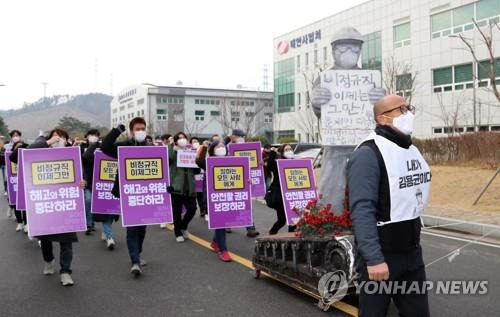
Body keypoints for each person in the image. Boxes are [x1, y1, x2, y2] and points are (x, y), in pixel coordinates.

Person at [347, 95, 431, 316]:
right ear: (383, 119)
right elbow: (362, 209)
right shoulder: (368, 153)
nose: (408, 114)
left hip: (412, 253)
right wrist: (374, 259)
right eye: (401, 110)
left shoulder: (410, 149)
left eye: (408, 107)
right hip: (381, 256)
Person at [25, 128, 84, 286]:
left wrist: (83, 183)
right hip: (47, 206)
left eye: (63, 139)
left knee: (67, 241)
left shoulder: (73, 157)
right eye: (56, 138)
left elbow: (81, 178)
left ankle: (65, 271)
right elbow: (24, 154)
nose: (60, 141)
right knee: (46, 239)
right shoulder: (39, 155)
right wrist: (48, 142)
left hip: (66, 206)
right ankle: (48, 261)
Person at [101, 118, 149, 276]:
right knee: (133, 225)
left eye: (143, 128)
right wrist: (117, 130)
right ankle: (135, 261)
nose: (140, 131)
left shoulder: (151, 148)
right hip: (128, 193)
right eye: (137, 129)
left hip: (147, 193)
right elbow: (105, 147)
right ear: (131, 131)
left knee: (142, 227)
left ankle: (138, 253)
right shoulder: (124, 146)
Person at [196, 140, 232, 262]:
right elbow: (198, 161)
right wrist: (205, 148)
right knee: (220, 222)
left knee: (224, 222)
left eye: (223, 146)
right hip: (214, 198)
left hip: (229, 197)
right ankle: (223, 250)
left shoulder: (232, 161)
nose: (222, 148)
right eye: (218, 146)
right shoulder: (208, 162)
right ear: (213, 150)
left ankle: (215, 242)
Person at [81, 129, 117, 250]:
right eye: (92, 135)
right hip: (92, 183)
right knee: (90, 201)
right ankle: (108, 235)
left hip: (110, 184)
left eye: (96, 136)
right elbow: (86, 157)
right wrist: (95, 145)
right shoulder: (88, 150)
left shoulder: (109, 149)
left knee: (111, 210)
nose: (94, 137)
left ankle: (106, 232)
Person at [226, 129, 259, 238]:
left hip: (244, 179)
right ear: (233, 137)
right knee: (231, 203)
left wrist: (260, 163)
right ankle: (226, 224)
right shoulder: (226, 148)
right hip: (231, 179)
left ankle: (251, 229)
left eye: (242, 136)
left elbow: (253, 163)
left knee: (245, 203)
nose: (241, 138)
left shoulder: (247, 148)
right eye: (239, 136)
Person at [168, 132, 199, 242]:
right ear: (175, 140)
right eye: (179, 138)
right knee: (176, 211)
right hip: (176, 186)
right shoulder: (172, 150)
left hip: (189, 186)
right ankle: (178, 233)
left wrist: (197, 157)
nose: (182, 140)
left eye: (184, 138)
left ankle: (183, 226)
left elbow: (197, 169)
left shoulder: (190, 151)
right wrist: (171, 147)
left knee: (192, 209)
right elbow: (168, 159)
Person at [267, 144, 297, 235]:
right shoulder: (278, 163)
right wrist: (272, 153)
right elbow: (270, 166)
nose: (289, 151)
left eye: (290, 149)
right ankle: (272, 232)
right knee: (282, 220)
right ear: (282, 152)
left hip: (293, 195)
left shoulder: (296, 163)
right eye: (286, 149)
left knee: (293, 220)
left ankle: (292, 239)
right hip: (280, 196)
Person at [9, 131, 30, 232]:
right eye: (13, 136)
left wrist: (22, 146)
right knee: (16, 202)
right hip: (14, 179)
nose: (15, 137)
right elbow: (11, 158)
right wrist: (17, 148)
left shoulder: (26, 145)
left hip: (26, 178)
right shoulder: (10, 150)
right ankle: (19, 223)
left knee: (24, 201)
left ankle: (26, 223)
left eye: (17, 136)